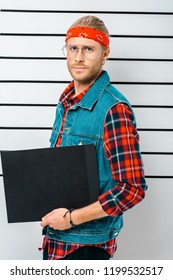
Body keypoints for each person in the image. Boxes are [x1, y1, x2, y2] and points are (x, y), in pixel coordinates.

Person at [40, 15, 147, 260]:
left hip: (86, 249)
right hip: (55, 241)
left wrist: (70, 219)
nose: (78, 57)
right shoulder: (66, 102)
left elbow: (132, 189)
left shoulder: (113, 109)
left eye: (88, 49)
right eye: (73, 48)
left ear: (105, 53)